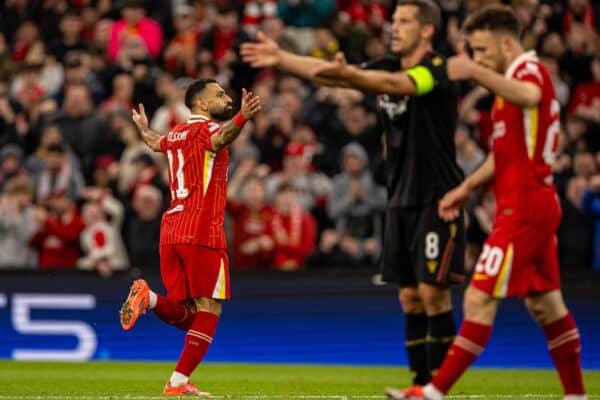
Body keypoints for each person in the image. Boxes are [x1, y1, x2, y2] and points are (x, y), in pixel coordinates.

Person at [241, 0, 465, 385]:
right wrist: (282, 58)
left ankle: (439, 389)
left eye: (405, 21)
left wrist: (352, 77)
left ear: (426, 30)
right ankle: (419, 384)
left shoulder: (438, 70)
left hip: (437, 196)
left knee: (434, 295)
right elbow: (331, 75)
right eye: (393, 20)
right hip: (399, 197)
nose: (394, 27)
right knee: (409, 298)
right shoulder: (384, 66)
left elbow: (397, 86)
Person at [387, 6, 587, 399]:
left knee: (479, 295)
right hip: (531, 204)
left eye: (482, 50)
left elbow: (530, 96)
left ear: (507, 42)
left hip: (525, 208)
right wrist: (466, 190)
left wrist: (475, 73)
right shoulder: (509, 82)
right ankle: (576, 395)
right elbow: (504, 155)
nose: (477, 59)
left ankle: (432, 392)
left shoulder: (527, 73)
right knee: (546, 305)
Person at [119, 78, 261, 397]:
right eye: (220, 95)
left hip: (171, 231)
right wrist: (242, 117)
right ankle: (178, 381)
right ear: (201, 104)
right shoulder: (206, 130)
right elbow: (223, 135)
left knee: (192, 317)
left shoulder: (176, 134)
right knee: (210, 309)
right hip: (202, 230)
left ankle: (149, 298)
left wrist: (142, 127)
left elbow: (154, 142)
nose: (227, 98)